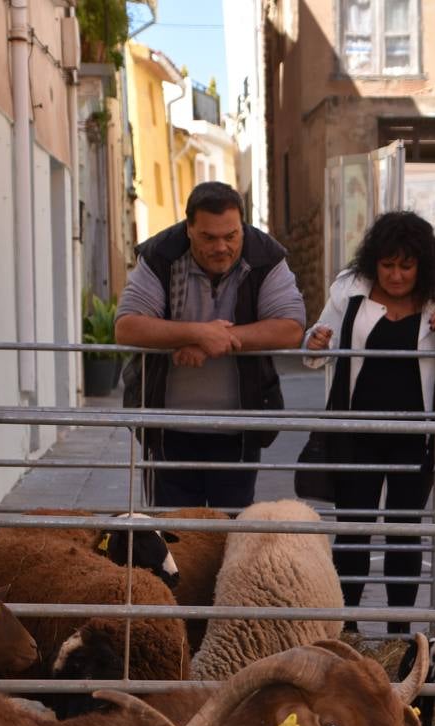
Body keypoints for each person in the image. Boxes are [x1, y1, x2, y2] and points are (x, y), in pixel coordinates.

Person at [302, 211, 435, 634]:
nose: (396, 276)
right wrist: (315, 340)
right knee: (353, 529)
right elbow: (314, 346)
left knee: (405, 529)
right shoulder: (349, 290)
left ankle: (399, 630)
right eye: (387, 265)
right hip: (354, 432)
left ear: (422, 264)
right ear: (372, 262)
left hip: (415, 436)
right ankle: (346, 627)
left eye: (406, 265)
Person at [116, 182, 306, 509]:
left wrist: (216, 342)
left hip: (239, 431)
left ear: (242, 227)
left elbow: (290, 328)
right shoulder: (160, 254)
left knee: (231, 538)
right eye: (208, 237)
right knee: (173, 537)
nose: (221, 247)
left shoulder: (266, 255)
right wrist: (196, 332)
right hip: (167, 430)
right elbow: (127, 326)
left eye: (231, 236)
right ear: (189, 228)